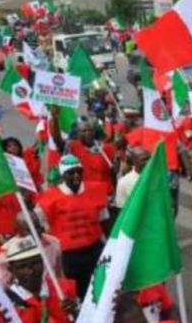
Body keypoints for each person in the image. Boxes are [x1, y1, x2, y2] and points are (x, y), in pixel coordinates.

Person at [35, 155, 109, 299]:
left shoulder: (95, 190)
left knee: (99, 287)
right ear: (63, 175)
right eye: (71, 173)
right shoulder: (48, 198)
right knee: (76, 291)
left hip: (94, 249)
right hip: (68, 255)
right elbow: (40, 226)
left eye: (79, 171)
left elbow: (104, 219)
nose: (76, 176)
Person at [51, 109, 117, 194]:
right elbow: (58, 140)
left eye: (90, 130)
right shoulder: (72, 146)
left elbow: (113, 174)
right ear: (78, 133)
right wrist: (55, 119)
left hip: (104, 195)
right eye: (84, 131)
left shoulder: (106, 149)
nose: (88, 133)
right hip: (83, 194)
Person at [113, 147, 151, 219]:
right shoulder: (124, 182)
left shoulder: (158, 177)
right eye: (144, 160)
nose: (148, 162)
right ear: (134, 161)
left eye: (149, 159)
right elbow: (121, 211)